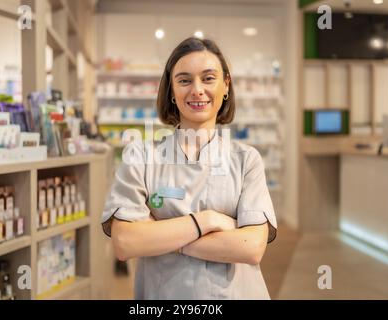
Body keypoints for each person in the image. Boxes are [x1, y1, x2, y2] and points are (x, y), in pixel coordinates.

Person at [101, 37, 277, 299]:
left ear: (225, 85)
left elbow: (251, 247)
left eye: (208, 78)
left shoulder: (246, 160)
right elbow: (125, 243)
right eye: (184, 80)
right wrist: (210, 221)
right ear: (171, 90)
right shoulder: (141, 156)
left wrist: (162, 236)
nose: (197, 90)